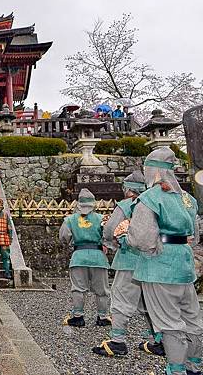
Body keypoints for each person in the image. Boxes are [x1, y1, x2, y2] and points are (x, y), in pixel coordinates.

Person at [126, 147, 202, 375]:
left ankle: (176, 369)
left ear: (154, 171)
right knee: (192, 318)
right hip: (184, 264)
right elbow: (195, 236)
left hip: (159, 266)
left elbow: (142, 239)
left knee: (170, 323)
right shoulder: (187, 199)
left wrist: (127, 237)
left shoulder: (150, 198)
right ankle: (195, 365)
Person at [92, 171, 160, 357]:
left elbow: (110, 230)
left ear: (128, 189)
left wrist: (114, 244)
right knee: (151, 303)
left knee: (121, 300)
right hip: (153, 261)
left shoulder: (126, 205)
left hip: (129, 260)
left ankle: (118, 341)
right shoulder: (155, 203)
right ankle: (159, 340)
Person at [60, 188, 111, 327]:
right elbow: (109, 235)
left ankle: (78, 316)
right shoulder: (101, 219)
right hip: (98, 257)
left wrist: (72, 245)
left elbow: (64, 236)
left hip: (79, 256)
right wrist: (104, 244)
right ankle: (103, 316)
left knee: (78, 288)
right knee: (102, 290)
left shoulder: (70, 219)